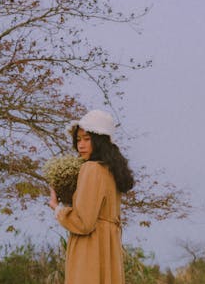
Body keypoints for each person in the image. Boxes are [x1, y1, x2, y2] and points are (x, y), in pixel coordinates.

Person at [49, 109, 134, 284]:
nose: (81, 145)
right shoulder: (111, 172)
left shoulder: (91, 169)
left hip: (90, 250)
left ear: (100, 141)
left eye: (87, 139)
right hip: (108, 249)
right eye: (78, 140)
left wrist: (57, 208)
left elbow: (83, 223)